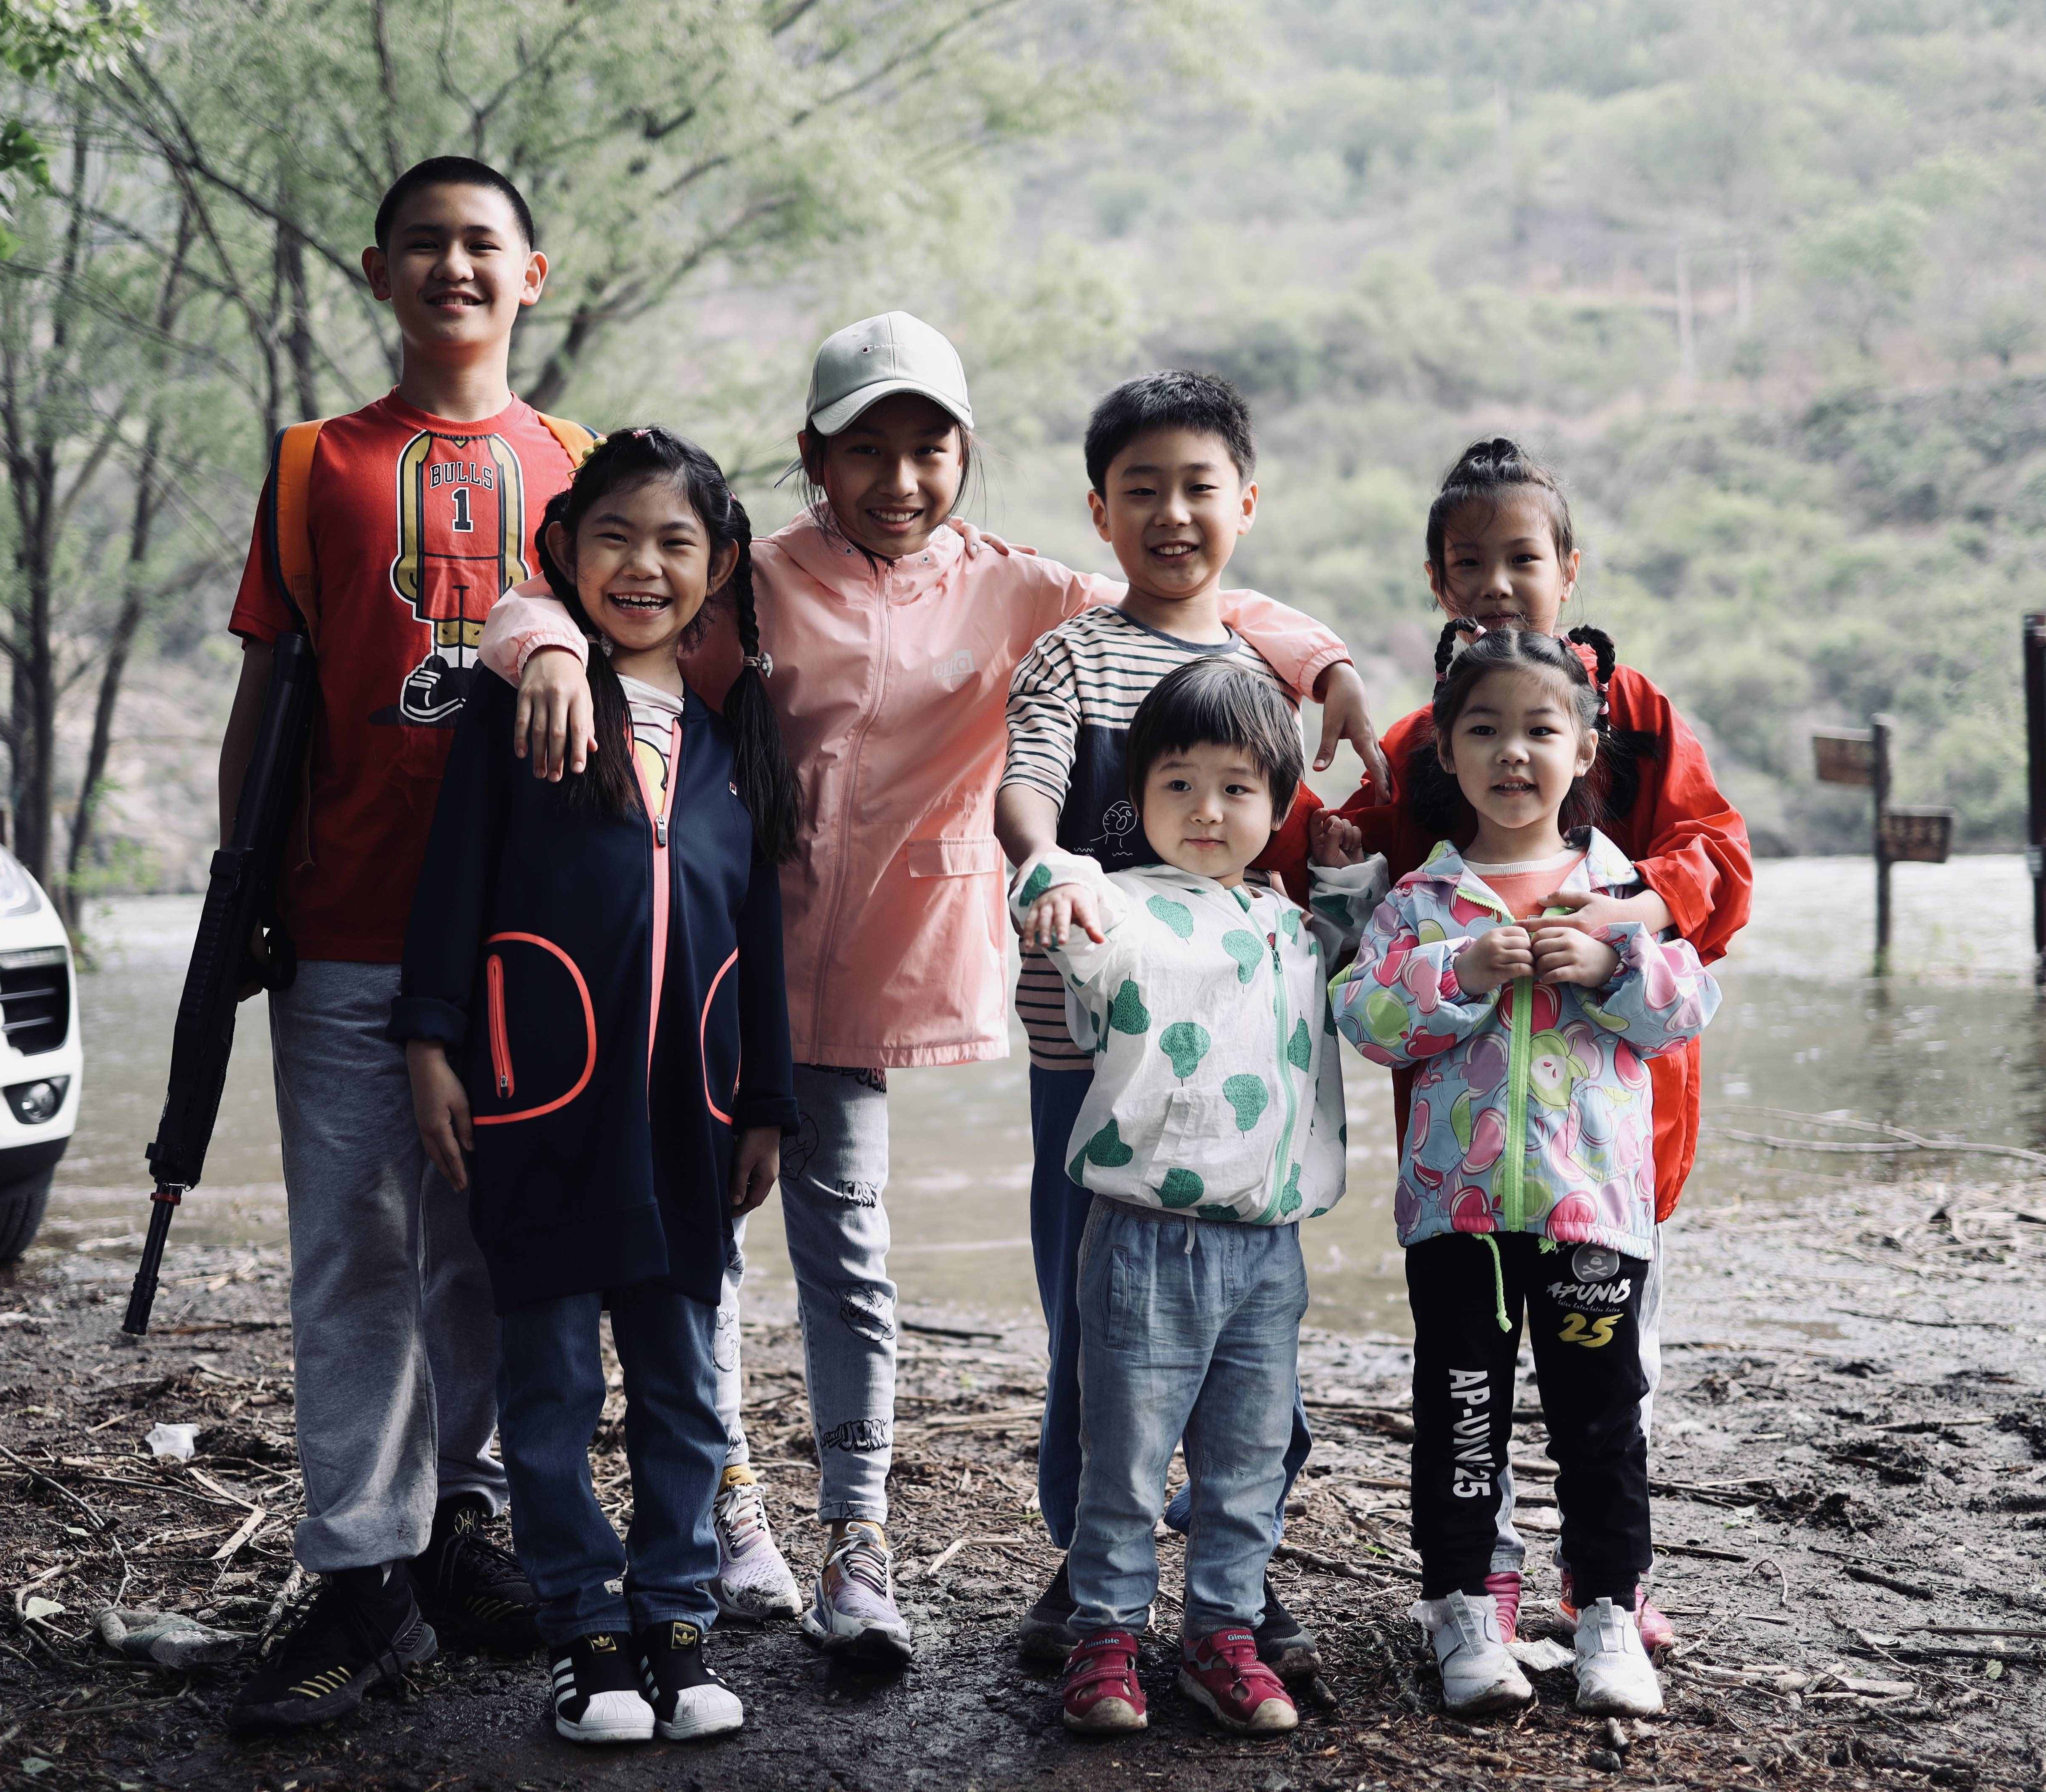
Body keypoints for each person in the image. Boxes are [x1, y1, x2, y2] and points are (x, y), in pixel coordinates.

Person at [470, 313, 1375, 1666]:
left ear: (966, 457)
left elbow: (1193, 604)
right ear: (812, 457)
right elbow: (592, 600)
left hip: (887, 972)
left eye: (928, 450)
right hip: (709, 965)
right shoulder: (749, 578)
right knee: (697, 1255)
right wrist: (536, 646)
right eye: (866, 450)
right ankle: (733, 1512)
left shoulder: (1019, 593)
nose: (899, 480)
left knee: (848, 1250)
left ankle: (860, 1542)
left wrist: (1328, 669)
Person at [218, 156, 596, 1734]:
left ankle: (454, 1518)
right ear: (378, 273)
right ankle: (361, 1568)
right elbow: (269, 691)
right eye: (426, 243)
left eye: (483, 243)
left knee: (486, 1248)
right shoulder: (317, 461)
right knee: (356, 1247)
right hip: (350, 917)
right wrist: (245, 883)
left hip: (525, 936)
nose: (455, 264)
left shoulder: (579, 466)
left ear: (534, 276)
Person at [395, 427, 799, 1744]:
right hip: (540, 1105)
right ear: (563, 551)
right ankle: (582, 1631)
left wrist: (769, 1102)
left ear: (720, 565)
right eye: (616, 537)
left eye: (677, 543)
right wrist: (431, 1043)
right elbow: (453, 880)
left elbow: (761, 935)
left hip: (690, 1119)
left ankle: (677, 1620)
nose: (644, 566)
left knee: (686, 1385)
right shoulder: (521, 707)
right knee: (552, 1386)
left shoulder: (739, 739)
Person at [1328, 437, 1751, 1650]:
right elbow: (1358, 869)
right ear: (1434, 580)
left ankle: (1600, 1578)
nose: (1497, 583)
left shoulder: (1634, 713)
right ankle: (1487, 1577)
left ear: (1570, 568)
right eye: (1471, 563)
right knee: (1467, 1370)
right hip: (1468, 1119)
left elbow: (1719, 858)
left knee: (1609, 1358)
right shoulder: (1423, 738)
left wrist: (1627, 917)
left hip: (1610, 1109)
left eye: (1523, 557)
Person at [996, 369, 1364, 1676]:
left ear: (1246, 503)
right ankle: (1085, 1565)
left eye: (1198, 487)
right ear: (1098, 512)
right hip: (1086, 1052)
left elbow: (1307, 846)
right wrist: (1050, 865)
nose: (1171, 513)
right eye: (1140, 489)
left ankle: (1236, 1575)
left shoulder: (1263, 663)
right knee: (1091, 1316)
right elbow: (1028, 777)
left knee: (1251, 1326)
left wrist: (1342, 677)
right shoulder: (1073, 654)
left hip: (1241, 1069)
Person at [1007, 658, 1346, 1737]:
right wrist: (1052, 875)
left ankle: (1220, 1635)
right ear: (1139, 795)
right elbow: (1048, 906)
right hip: (1143, 1233)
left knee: (1249, 1460)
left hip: (1268, 1242)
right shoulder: (1114, 905)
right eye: (1180, 784)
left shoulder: (1293, 927)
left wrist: (1339, 879)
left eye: (1238, 788)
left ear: (1279, 805)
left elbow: (1370, 960)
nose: (1207, 810)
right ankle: (1105, 1639)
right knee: (1127, 1456)